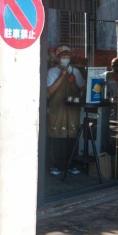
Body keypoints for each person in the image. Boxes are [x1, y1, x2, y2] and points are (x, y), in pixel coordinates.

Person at [46, 46, 85, 176]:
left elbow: (82, 87)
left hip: (72, 110)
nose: (66, 59)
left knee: (72, 137)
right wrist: (62, 76)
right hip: (57, 109)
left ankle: (71, 165)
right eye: (63, 57)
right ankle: (56, 166)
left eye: (68, 57)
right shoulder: (52, 72)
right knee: (57, 137)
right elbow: (49, 91)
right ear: (58, 58)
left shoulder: (75, 72)